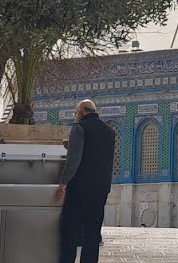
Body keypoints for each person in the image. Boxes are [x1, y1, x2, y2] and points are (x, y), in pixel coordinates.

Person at [56, 99, 116, 263]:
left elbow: (74, 160)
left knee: (69, 231)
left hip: (80, 190)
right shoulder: (109, 132)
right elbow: (96, 154)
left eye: (75, 113)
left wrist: (63, 183)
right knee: (92, 234)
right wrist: (73, 145)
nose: (75, 116)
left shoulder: (79, 128)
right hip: (101, 190)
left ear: (81, 113)